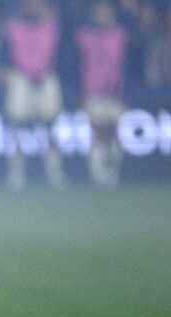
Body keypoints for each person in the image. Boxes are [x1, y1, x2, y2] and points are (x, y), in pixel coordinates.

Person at [0, 0, 64, 190]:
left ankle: (55, 174)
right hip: (21, 78)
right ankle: (16, 174)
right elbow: (4, 49)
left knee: (50, 126)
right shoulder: (13, 25)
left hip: (46, 77)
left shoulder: (51, 25)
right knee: (18, 126)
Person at [75, 0, 128, 187]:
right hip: (91, 94)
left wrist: (128, 93)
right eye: (98, 11)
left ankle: (113, 171)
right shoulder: (83, 36)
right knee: (97, 131)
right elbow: (75, 64)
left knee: (115, 133)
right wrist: (78, 93)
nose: (101, 14)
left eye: (105, 10)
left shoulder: (122, 35)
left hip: (116, 95)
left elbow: (128, 65)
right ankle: (97, 174)